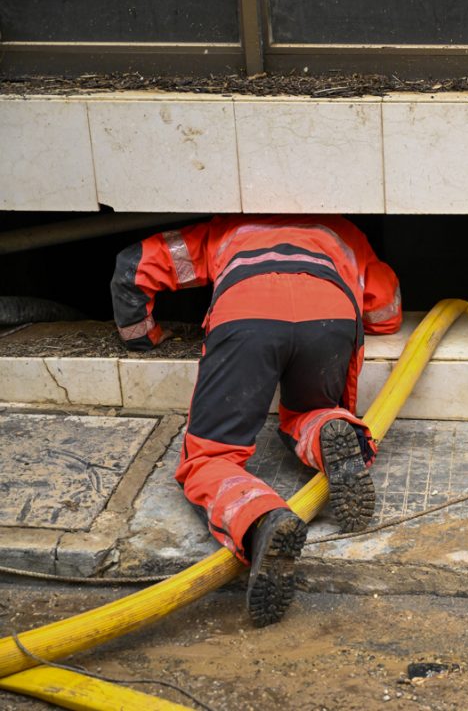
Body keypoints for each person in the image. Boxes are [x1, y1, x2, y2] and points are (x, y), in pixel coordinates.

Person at [111, 215, 402, 626]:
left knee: (208, 458)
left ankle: (260, 519)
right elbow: (386, 312)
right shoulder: (342, 231)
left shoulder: (223, 227)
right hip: (330, 315)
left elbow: (136, 264)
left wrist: (141, 335)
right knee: (310, 411)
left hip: (247, 313)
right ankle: (332, 435)